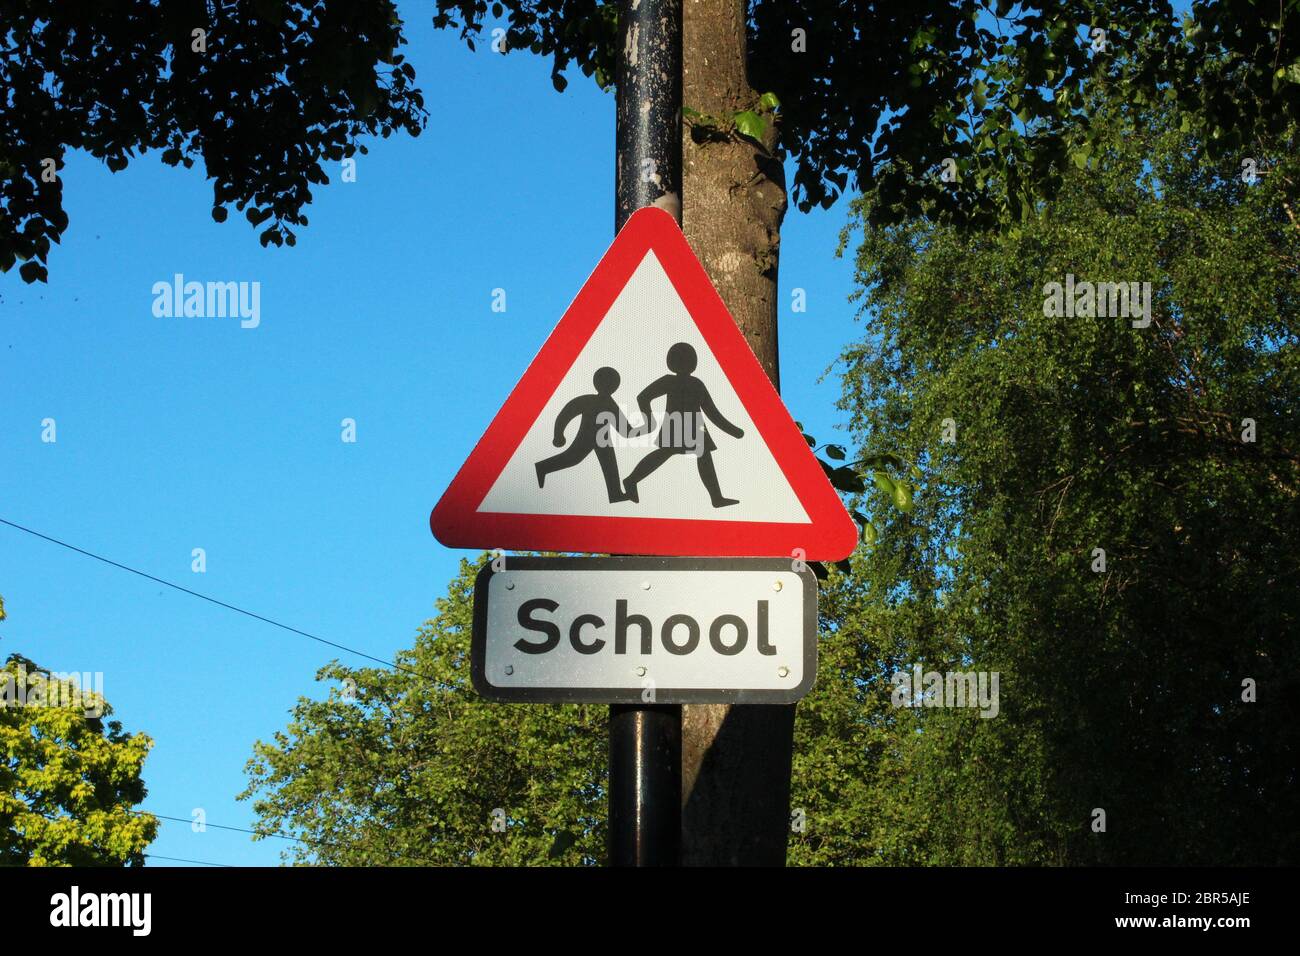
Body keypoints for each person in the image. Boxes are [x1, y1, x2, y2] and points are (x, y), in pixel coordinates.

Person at [621, 342, 744, 507]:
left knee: (696, 455)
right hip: (678, 424)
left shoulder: (694, 384)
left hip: (692, 426)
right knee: (672, 453)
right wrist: (649, 420)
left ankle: (716, 498)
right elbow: (643, 397)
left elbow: (712, 412)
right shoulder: (674, 381)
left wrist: (734, 431)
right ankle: (631, 480)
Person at [535, 366, 637, 503]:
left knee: (609, 464)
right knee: (573, 458)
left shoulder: (609, 403)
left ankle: (615, 493)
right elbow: (567, 413)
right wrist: (558, 435)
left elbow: (625, 430)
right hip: (587, 438)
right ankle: (542, 467)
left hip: (603, 440)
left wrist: (643, 429)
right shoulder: (591, 400)